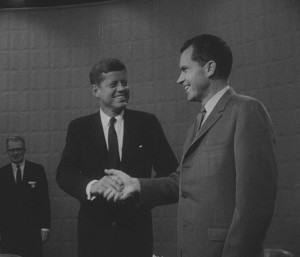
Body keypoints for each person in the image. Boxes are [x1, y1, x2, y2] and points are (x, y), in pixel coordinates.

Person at [106, 34, 278, 257]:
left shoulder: (247, 111)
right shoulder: (199, 120)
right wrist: (137, 186)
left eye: (185, 69)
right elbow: (183, 182)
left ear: (209, 68)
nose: (180, 79)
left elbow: (254, 205)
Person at [56, 58, 178, 257]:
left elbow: (170, 170)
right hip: (93, 237)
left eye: (125, 83)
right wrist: (92, 186)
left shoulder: (147, 123)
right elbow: (64, 174)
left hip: (137, 234)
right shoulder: (79, 128)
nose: (122, 88)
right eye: (114, 84)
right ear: (96, 90)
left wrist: (140, 192)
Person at [0, 135, 50, 257]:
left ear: (24, 150)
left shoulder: (37, 170)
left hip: (32, 231)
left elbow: (43, 200)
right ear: (7, 152)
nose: (15, 152)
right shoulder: (1, 174)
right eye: (12, 150)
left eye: (19, 149)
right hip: (8, 231)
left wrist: (45, 227)